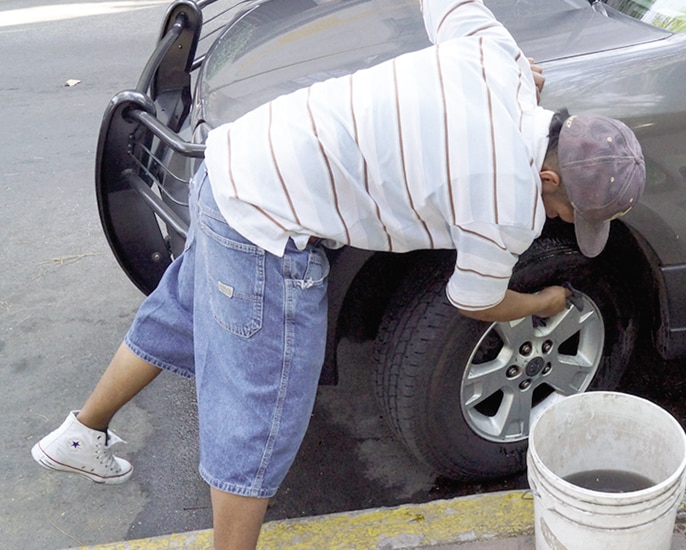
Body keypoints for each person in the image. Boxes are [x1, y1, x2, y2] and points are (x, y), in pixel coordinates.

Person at [30, 0, 645, 547]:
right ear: (548, 179)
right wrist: (539, 303)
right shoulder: (507, 206)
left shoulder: (496, 55)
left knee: (181, 315)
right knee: (261, 415)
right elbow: (475, 300)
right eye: (569, 210)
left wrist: (518, 76)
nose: (562, 221)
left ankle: (81, 435)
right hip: (268, 226)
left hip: (231, 168)